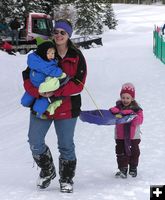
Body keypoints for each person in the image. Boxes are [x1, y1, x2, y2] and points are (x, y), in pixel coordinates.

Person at [21, 19, 87, 193]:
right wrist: (38, 93)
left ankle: (66, 179)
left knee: (66, 145)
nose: (58, 35)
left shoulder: (76, 56)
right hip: (41, 104)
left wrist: (55, 92)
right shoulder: (42, 52)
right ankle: (47, 170)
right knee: (34, 141)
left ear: (68, 36)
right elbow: (27, 77)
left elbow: (79, 84)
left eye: (62, 33)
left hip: (67, 107)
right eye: (56, 32)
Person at [21, 38, 68, 118]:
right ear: (42, 53)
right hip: (36, 87)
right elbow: (54, 71)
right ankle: (34, 105)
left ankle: (38, 113)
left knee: (38, 107)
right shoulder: (45, 65)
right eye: (49, 53)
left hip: (45, 90)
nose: (52, 55)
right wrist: (60, 72)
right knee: (25, 102)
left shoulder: (36, 59)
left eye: (53, 53)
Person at [109, 83, 143, 179]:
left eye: (128, 98)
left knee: (134, 152)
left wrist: (132, 116)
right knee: (120, 152)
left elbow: (140, 120)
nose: (125, 100)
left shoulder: (137, 109)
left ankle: (133, 167)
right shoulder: (118, 108)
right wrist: (113, 112)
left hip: (133, 136)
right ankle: (122, 169)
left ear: (132, 98)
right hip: (120, 135)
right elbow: (113, 116)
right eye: (123, 97)